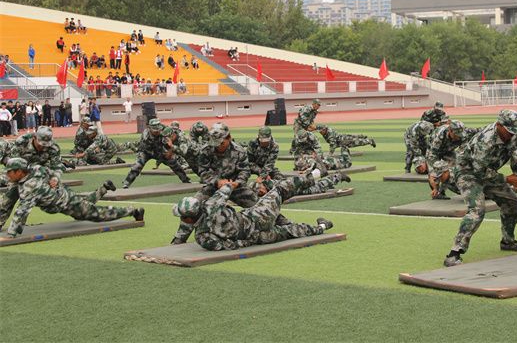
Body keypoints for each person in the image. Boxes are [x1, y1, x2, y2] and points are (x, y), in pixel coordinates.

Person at [443, 110, 517, 267]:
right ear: (499, 125)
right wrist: (506, 179)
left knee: (512, 202)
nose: (511, 134)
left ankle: (508, 241)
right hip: (468, 173)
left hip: (490, 172)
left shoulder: (516, 133)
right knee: (477, 210)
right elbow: (479, 171)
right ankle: (454, 253)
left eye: (514, 131)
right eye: (508, 130)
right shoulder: (485, 140)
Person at [171, 176, 333, 251]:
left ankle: (322, 227)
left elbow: (229, 246)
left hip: (256, 236)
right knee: (279, 190)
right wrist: (231, 183)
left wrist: (250, 241)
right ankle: (316, 174)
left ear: (189, 218)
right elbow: (226, 189)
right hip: (256, 217)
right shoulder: (210, 205)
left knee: (291, 232)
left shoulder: (202, 237)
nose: (183, 220)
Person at [0, 158, 143, 238]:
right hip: (63, 193)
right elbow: (48, 170)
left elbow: (22, 211)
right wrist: (54, 179)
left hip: (65, 203)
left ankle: (132, 211)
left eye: (9, 172)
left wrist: (11, 234)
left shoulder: (30, 187)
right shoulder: (33, 169)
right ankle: (104, 188)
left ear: (19, 172)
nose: (7, 175)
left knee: (95, 214)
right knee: (84, 204)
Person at [194, 123, 256, 207]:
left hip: (235, 187)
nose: (218, 146)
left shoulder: (239, 151)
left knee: (257, 206)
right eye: (215, 143)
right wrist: (217, 181)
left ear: (229, 138)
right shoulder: (206, 150)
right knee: (195, 205)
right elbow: (203, 171)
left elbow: (245, 170)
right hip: (213, 186)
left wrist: (237, 183)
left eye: (221, 143)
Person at [121, 119, 192, 189]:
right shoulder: (146, 135)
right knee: (137, 165)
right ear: (149, 128)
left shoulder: (165, 130)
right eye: (155, 131)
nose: (157, 132)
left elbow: (172, 139)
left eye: (158, 130)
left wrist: (170, 151)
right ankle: (127, 182)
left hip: (160, 151)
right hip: (146, 151)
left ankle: (186, 180)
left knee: (174, 163)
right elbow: (147, 146)